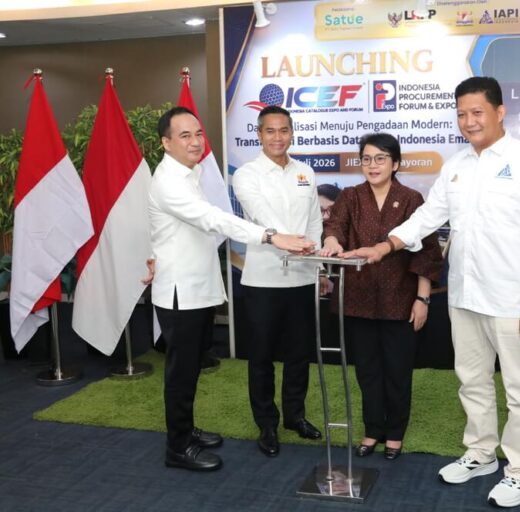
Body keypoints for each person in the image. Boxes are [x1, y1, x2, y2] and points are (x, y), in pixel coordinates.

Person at [341, 77, 520, 508]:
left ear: (500, 112)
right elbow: (427, 218)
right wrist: (384, 246)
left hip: (512, 300)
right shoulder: (457, 165)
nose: (469, 121)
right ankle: (481, 453)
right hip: (464, 295)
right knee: (472, 381)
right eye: (461, 114)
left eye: (477, 112)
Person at [148, 106, 314, 472]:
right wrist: (271, 236)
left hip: (198, 287)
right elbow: (213, 219)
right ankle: (177, 447)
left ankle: (186, 430)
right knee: (181, 372)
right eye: (185, 136)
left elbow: (169, 231)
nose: (195, 142)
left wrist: (153, 255)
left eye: (198, 134)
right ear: (166, 143)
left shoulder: (189, 174)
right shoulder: (170, 180)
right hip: (180, 291)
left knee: (192, 367)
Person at [319, 133, 443, 460]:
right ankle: (373, 429)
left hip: (400, 300)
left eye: (380, 159)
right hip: (357, 299)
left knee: (398, 371)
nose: (372, 165)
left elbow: (427, 253)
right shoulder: (351, 196)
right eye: (366, 159)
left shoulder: (412, 199)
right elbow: (335, 226)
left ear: (395, 163)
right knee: (367, 370)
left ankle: (395, 434)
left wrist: (422, 299)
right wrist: (331, 241)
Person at [232, 105, 328, 458]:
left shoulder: (305, 172)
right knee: (261, 357)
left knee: (299, 355)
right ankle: (267, 424)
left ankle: (294, 416)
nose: (277, 137)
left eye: (283, 130)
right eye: (270, 131)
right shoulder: (246, 175)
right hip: (263, 281)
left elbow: (315, 222)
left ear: (292, 133)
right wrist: (293, 242)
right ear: (259, 134)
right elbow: (263, 217)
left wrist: (317, 265)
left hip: (302, 277)